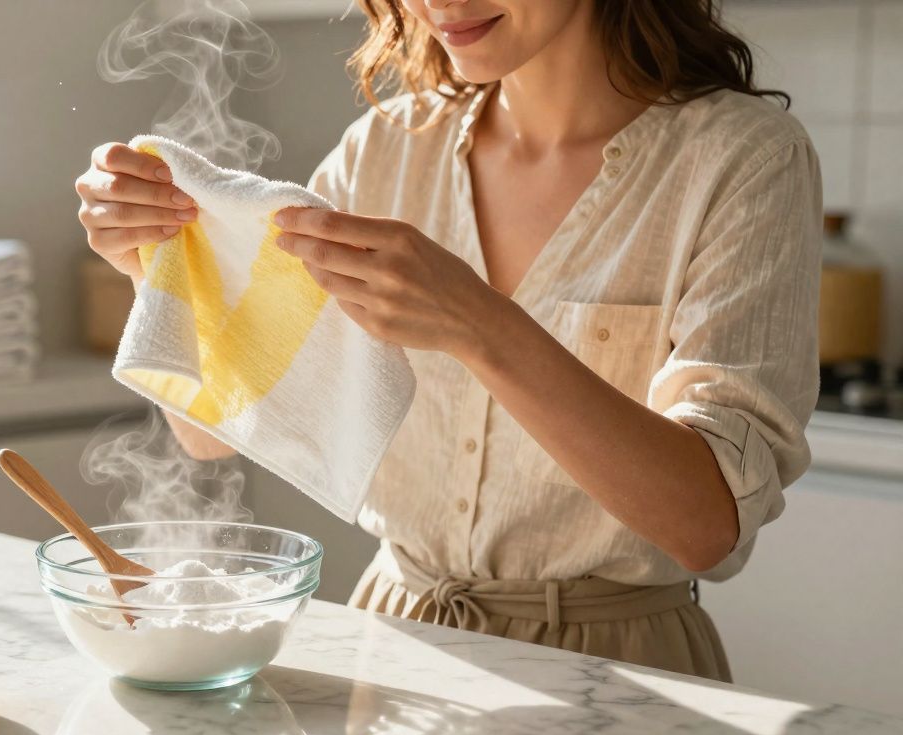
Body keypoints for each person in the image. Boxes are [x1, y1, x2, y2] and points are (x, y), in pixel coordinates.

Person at [74, 0, 820, 681]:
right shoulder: (386, 148)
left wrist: (481, 324)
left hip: (621, 669)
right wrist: (155, 267)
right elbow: (216, 436)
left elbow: (707, 528)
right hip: (393, 648)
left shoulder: (743, 159)